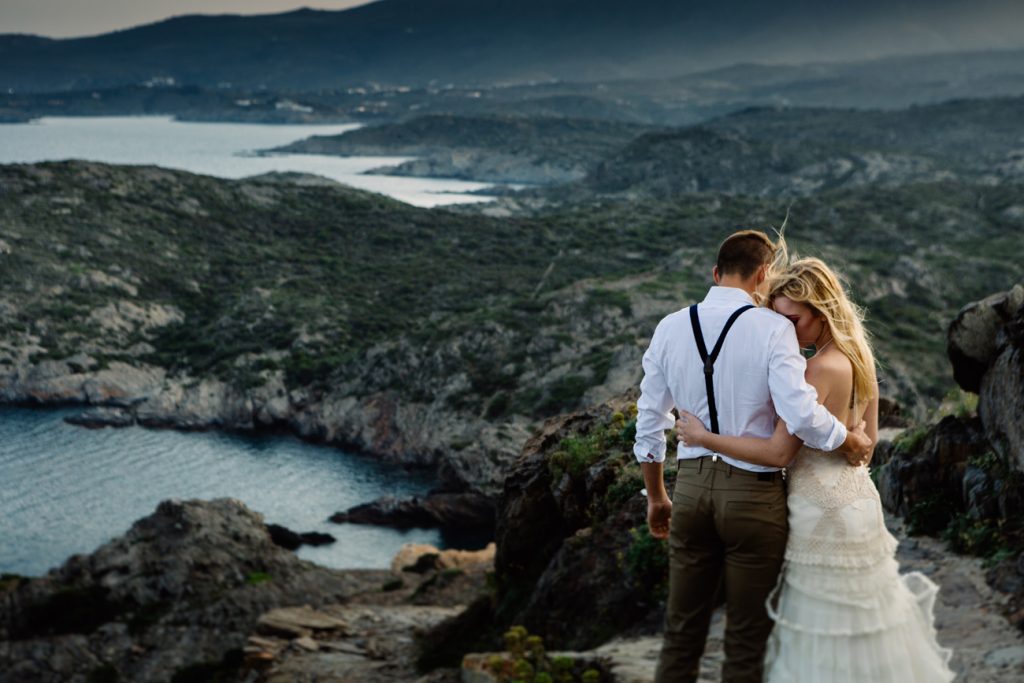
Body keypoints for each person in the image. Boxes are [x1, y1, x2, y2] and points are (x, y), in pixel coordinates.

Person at [676, 255, 955, 681]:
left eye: (793, 319)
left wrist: (703, 438)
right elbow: (868, 446)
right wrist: (851, 445)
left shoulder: (812, 371)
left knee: (821, 633)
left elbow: (776, 453)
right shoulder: (861, 360)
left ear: (821, 312)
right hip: (860, 504)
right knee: (864, 630)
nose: (785, 330)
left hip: (817, 511)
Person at [633, 229, 873, 683]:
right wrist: (849, 440)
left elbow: (649, 420)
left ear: (715, 273)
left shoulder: (670, 327)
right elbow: (801, 413)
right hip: (753, 497)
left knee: (681, 632)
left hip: (690, 491)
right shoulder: (774, 328)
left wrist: (656, 497)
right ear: (764, 274)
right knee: (745, 640)